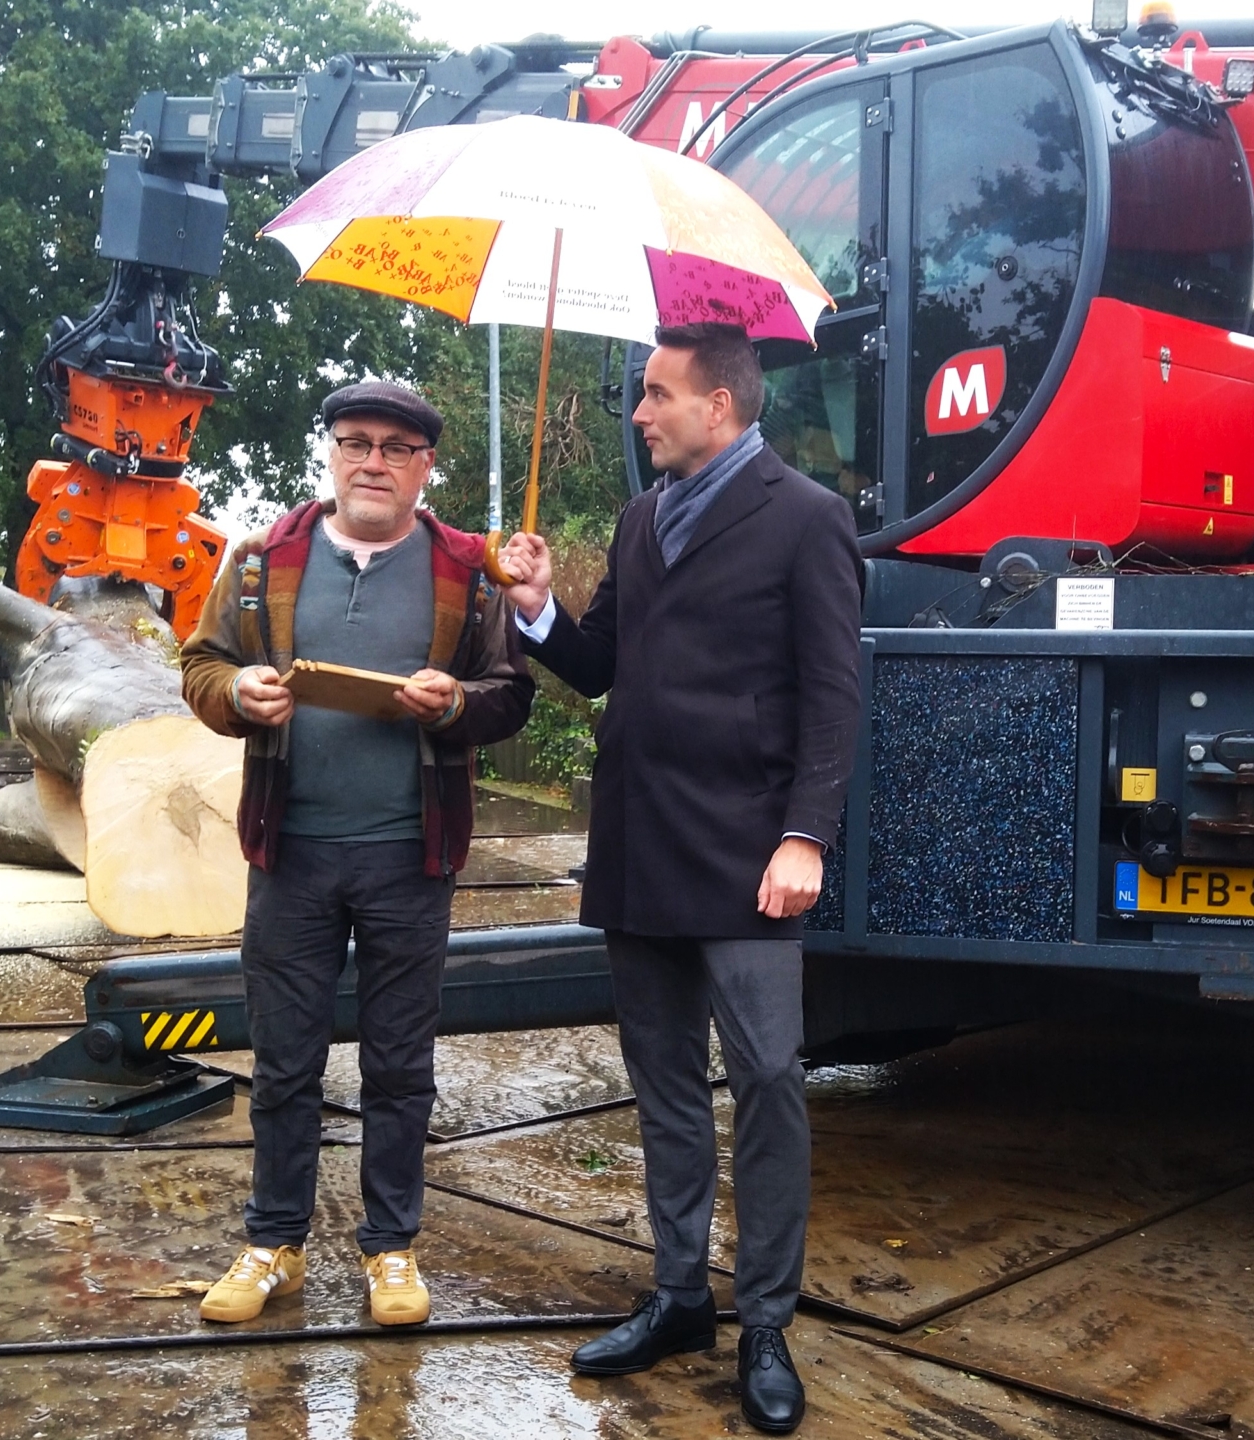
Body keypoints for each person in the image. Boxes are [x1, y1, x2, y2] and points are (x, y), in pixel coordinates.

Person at [499, 322, 864, 1435]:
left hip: (751, 853)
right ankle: (675, 1298)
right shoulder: (640, 519)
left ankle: (763, 1321)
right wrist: (534, 609)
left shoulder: (807, 518)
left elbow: (834, 695)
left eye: (657, 396)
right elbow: (602, 663)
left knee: (764, 1080)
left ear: (722, 404)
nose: (640, 414)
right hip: (640, 843)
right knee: (660, 1086)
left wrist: (806, 836)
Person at [180, 379, 534, 1329]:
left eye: (397, 448)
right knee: (285, 1061)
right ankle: (273, 1243)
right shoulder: (261, 560)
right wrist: (238, 693)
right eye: (356, 441)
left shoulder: (466, 570)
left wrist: (456, 704)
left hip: (409, 856)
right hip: (289, 851)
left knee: (399, 1064)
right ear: (331, 451)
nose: (373, 461)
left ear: (425, 467)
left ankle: (391, 1249)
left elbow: (511, 693)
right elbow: (200, 665)